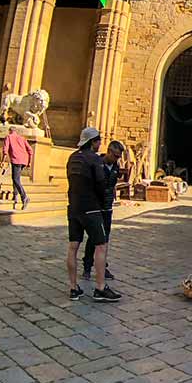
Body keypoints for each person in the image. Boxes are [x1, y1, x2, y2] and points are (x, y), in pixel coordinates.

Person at [66, 127, 121, 303]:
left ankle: (74, 288)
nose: (99, 145)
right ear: (93, 142)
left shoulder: (72, 157)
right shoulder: (94, 160)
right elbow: (101, 184)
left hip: (73, 207)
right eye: (98, 141)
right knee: (101, 245)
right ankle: (100, 287)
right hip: (91, 208)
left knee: (73, 247)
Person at [83, 140, 124, 282]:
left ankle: (102, 266)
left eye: (119, 157)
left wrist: (113, 197)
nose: (116, 159)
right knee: (93, 238)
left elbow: (113, 185)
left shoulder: (115, 166)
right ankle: (87, 266)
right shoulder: (97, 164)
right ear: (108, 151)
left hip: (107, 207)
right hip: (96, 207)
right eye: (115, 155)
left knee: (105, 239)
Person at [0, 127, 33, 210]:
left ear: (10, 131)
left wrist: (3, 161)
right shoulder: (22, 138)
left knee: (15, 179)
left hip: (16, 160)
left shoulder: (8, 137)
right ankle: (15, 195)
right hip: (24, 160)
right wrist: (29, 162)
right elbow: (30, 150)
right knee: (16, 178)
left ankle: (24, 197)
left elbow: (5, 150)